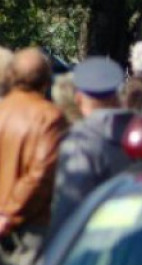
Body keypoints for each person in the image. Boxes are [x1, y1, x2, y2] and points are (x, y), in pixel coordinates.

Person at [0, 48, 67, 265]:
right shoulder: (50, 116)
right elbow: (41, 173)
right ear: (46, 81)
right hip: (29, 227)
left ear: (11, 77)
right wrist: (9, 215)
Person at [49, 57, 136, 239]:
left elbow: (70, 206)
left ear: (79, 99)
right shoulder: (141, 132)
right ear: (118, 97)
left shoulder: (80, 141)